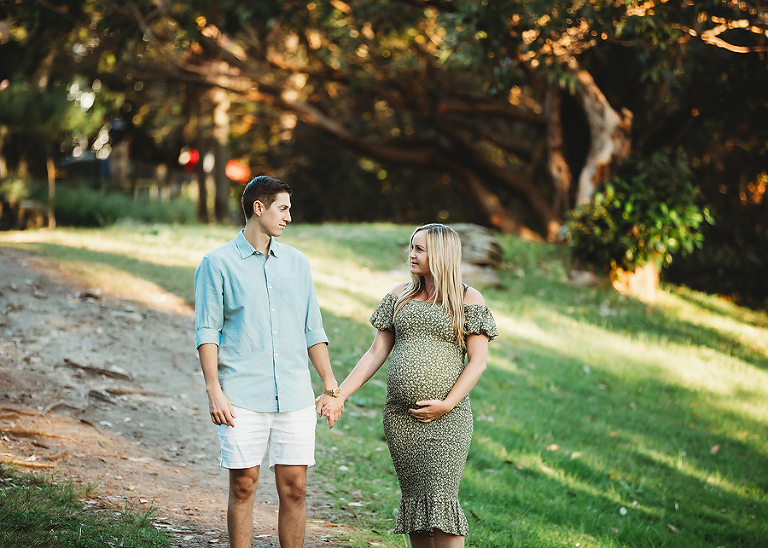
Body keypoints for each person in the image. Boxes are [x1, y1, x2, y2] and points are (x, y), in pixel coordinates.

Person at [321, 223, 497, 548]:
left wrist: (447, 404)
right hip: (401, 420)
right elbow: (375, 353)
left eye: (420, 249)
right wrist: (339, 394)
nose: (411, 254)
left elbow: (478, 362)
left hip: (448, 418)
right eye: (411, 247)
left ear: (442, 255)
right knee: (416, 504)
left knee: (442, 501)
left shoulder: (467, 297)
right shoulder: (399, 295)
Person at [194, 175, 343, 548]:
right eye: (283, 208)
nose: (288, 217)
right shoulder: (217, 263)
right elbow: (207, 331)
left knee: (295, 489)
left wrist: (330, 385)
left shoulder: (297, 263)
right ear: (258, 208)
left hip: (294, 396)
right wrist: (214, 391)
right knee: (244, 485)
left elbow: (313, 328)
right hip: (242, 395)